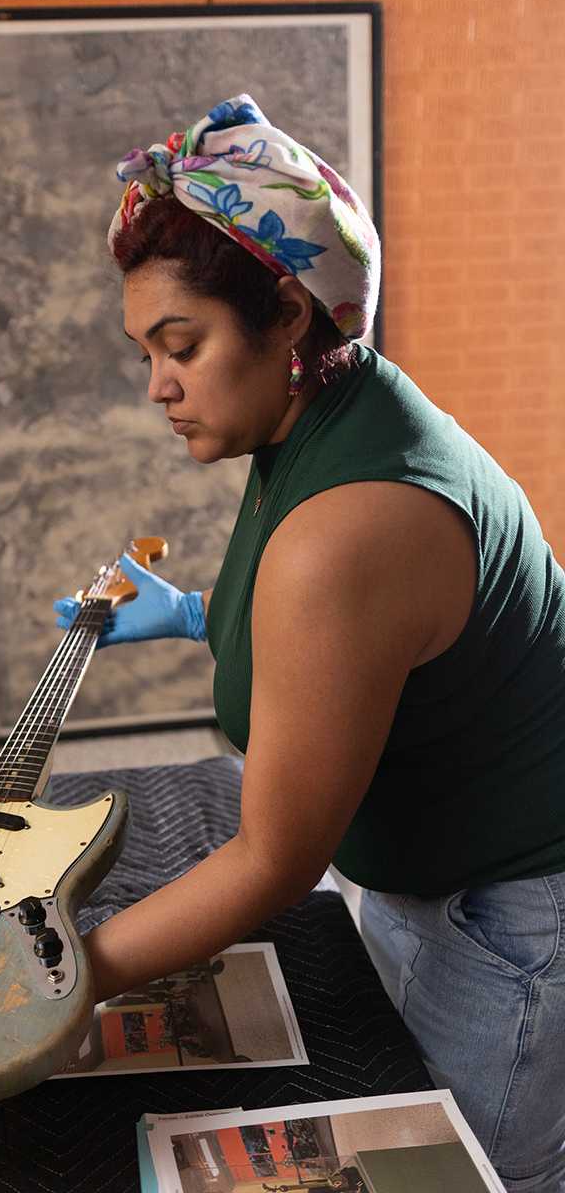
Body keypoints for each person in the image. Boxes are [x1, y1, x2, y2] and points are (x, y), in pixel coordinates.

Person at [53, 95, 565, 1191]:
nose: (157, 387)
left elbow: (273, 861)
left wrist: (58, 975)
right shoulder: (326, 413)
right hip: (421, 870)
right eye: (146, 351)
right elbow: (362, 650)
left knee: (488, 1177)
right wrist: (196, 612)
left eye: (179, 345)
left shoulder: (348, 524)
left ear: (285, 312)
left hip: (507, 917)